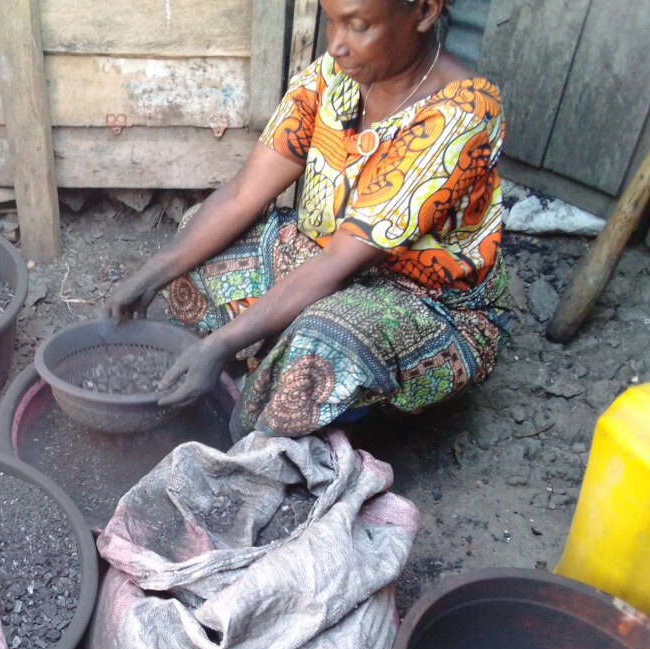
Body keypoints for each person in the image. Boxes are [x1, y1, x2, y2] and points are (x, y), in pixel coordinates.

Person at [102, 0, 511, 440]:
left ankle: (329, 413)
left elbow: (338, 265)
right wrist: (152, 273)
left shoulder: (464, 113)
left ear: (425, 11)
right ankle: (271, 361)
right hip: (322, 258)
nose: (336, 45)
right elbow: (243, 195)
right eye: (331, 21)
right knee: (195, 245)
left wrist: (220, 345)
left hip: (424, 304)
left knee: (324, 342)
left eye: (358, 25)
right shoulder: (336, 75)